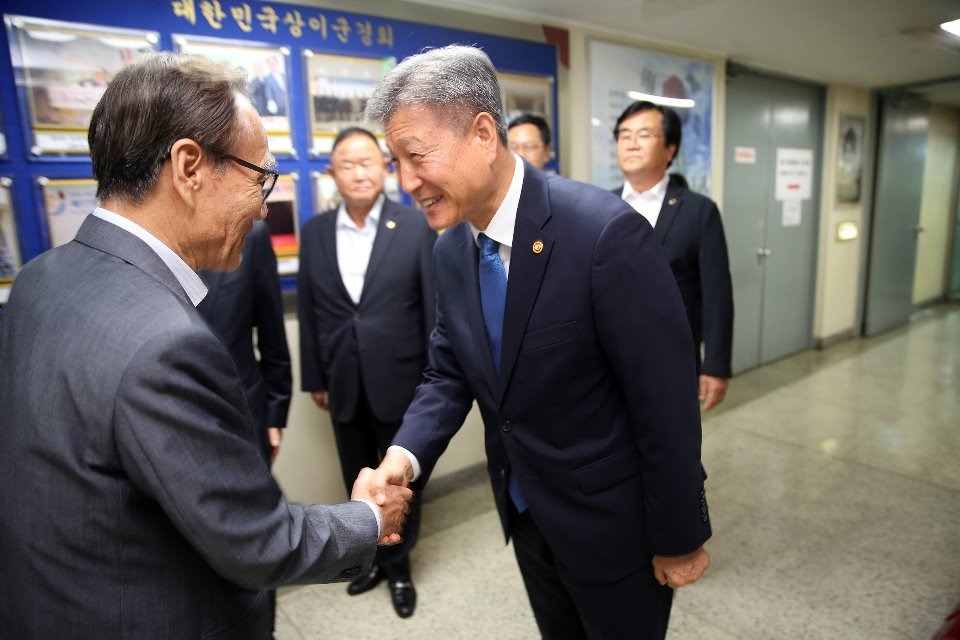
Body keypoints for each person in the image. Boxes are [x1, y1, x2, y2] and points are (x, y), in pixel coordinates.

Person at [0, 53, 411, 638]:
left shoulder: (40, 277)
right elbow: (257, 541)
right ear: (189, 167)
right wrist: (370, 519)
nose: (265, 204)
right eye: (258, 176)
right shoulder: (163, 343)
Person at [365, 45, 711, 640]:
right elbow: (449, 373)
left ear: (481, 133)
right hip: (527, 516)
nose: (407, 182)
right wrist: (404, 455)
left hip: (614, 527)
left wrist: (680, 536)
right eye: (395, 161)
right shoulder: (451, 249)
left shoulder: (603, 234)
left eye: (416, 157)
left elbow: (665, 402)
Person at [298, 126, 436, 619]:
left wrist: (431, 378)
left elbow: (430, 311)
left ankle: (399, 567)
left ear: (385, 169)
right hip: (342, 379)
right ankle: (370, 560)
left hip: (401, 378)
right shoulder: (314, 231)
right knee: (354, 472)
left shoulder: (415, 225)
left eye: (368, 162)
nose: (359, 172)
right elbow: (313, 307)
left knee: (398, 481)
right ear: (332, 174)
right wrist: (314, 376)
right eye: (348, 164)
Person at [198, 219, 292, 635]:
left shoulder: (249, 237)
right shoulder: (136, 245)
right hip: (166, 425)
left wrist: (275, 411)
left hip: (243, 414)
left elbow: (270, 330)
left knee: (257, 536)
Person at [612, 100, 734, 411]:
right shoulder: (599, 205)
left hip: (673, 360)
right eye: (625, 135)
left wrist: (716, 365)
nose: (632, 144)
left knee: (673, 452)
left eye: (645, 135)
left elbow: (717, 294)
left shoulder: (698, 211)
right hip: (609, 359)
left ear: (670, 150)